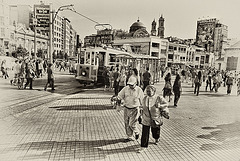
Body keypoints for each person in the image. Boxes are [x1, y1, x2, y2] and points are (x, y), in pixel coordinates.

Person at [138, 85, 169, 153]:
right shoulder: (145, 98)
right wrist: (140, 114)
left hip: (155, 117)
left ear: (154, 91)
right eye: (147, 91)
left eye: (149, 91)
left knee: (155, 130)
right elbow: (142, 107)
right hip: (146, 117)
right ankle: (143, 146)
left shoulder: (158, 98)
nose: (148, 93)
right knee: (145, 132)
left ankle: (156, 138)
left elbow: (166, 104)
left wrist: (160, 106)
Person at [117, 76, 144, 141]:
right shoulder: (125, 89)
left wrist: (142, 110)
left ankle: (136, 132)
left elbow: (142, 100)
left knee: (132, 124)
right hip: (126, 108)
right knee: (126, 123)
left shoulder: (139, 90)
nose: (130, 86)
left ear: (135, 83)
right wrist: (118, 105)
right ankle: (129, 136)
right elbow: (119, 96)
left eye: (132, 85)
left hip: (135, 108)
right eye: (129, 84)